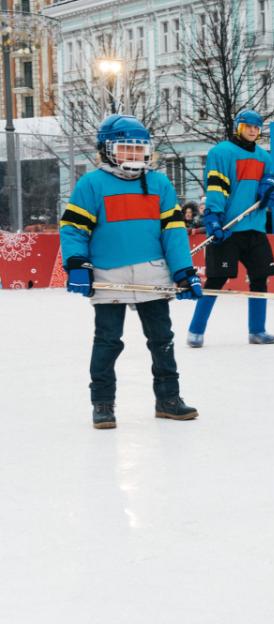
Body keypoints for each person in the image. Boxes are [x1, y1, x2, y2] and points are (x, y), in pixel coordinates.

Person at [58, 114, 202, 429]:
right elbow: (73, 229)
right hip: (110, 277)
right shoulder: (91, 184)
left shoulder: (160, 184)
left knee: (162, 339)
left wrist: (183, 272)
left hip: (154, 274)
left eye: (140, 149)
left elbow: (173, 232)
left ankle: (168, 399)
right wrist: (77, 264)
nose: (135, 155)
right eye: (126, 148)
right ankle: (103, 404)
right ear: (107, 150)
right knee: (108, 341)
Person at [186, 109, 274, 347]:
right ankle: (195, 331)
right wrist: (214, 217)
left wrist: (271, 191)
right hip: (227, 227)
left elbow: (269, 187)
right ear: (238, 127)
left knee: (260, 278)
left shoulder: (264, 158)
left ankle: (257, 331)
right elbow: (216, 187)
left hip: (254, 227)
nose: (252, 130)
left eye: (256, 127)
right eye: (247, 126)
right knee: (216, 281)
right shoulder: (221, 153)